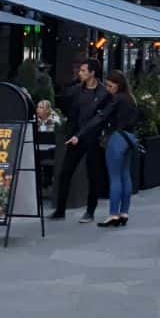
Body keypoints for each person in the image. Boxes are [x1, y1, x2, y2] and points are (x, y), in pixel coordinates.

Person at [74, 69, 138, 228]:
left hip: (117, 139)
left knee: (115, 177)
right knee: (125, 175)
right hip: (130, 138)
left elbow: (100, 117)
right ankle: (124, 212)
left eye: (110, 85)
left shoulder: (117, 100)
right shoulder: (131, 99)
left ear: (118, 85)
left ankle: (113, 214)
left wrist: (80, 134)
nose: (108, 89)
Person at [51, 59, 111, 223]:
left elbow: (100, 119)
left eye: (84, 71)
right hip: (75, 137)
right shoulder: (76, 90)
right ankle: (60, 209)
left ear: (92, 73)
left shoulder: (104, 93)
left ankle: (90, 211)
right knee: (65, 172)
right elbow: (68, 108)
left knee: (93, 174)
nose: (80, 73)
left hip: (93, 138)